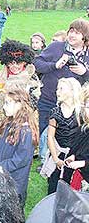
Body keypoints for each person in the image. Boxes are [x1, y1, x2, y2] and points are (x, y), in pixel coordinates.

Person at [34, 19, 89, 172]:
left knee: (68, 136)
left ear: (85, 36)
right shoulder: (57, 47)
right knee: (44, 131)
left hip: (71, 105)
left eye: (77, 33)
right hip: (48, 99)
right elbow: (37, 63)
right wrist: (54, 65)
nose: (72, 35)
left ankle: (63, 162)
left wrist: (85, 72)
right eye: (71, 31)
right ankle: (46, 160)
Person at [0, 84, 38, 208]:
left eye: (7, 103)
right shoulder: (8, 122)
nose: (4, 107)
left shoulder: (26, 132)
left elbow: (20, 160)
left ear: (20, 104)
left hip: (14, 181)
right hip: (0, 173)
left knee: (12, 212)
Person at [0, 39, 41, 150]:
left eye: (18, 63)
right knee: (0, 146)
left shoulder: (31, 78)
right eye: (11, 63)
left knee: (20, 149)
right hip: (2, 117)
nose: (14, 66)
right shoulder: (0, 77)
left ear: (24, 62)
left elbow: (33, 103)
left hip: (23, 120)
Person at [41, 78, 81, 194]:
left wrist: (75, 155)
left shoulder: (80, 112)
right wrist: (55, 158)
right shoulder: (55, 112)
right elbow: (50, 137)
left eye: (61, 88)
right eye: (57, 88)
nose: (57, 91)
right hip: (58, 153)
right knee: (53, 185)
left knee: (70, 187)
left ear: (72, 91)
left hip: (74, 155)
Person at [65, 83, 89, 190]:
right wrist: (73, 156)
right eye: (87, 106)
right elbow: (82, 148)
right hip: (82, 175)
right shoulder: (84, 127)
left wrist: (83, 163)